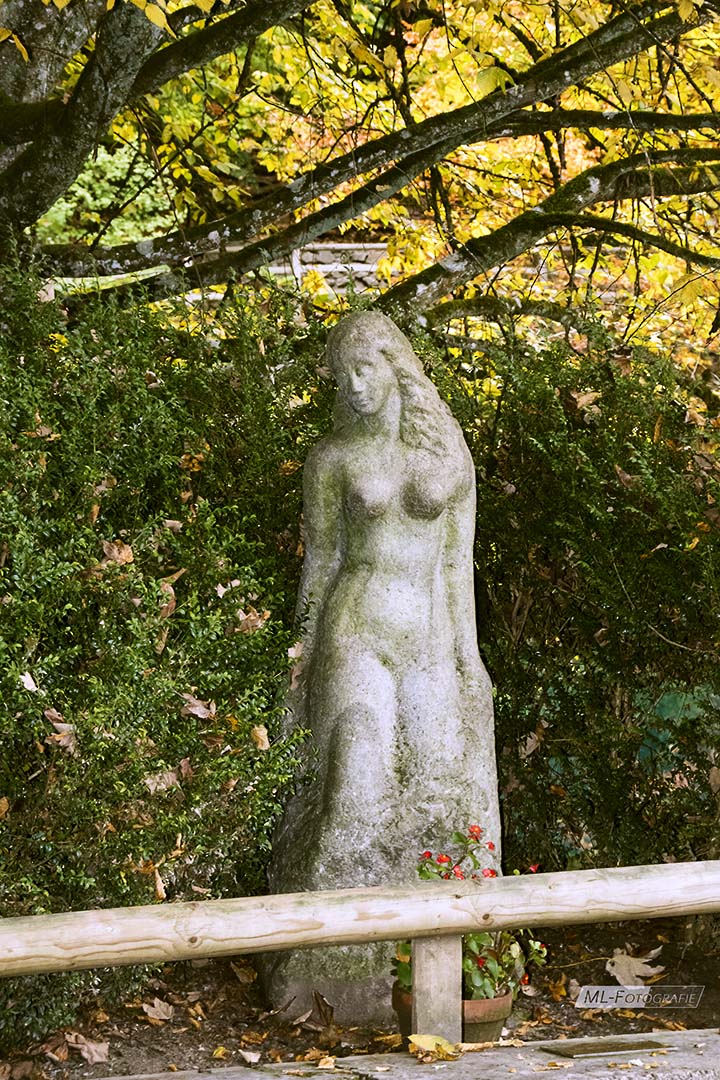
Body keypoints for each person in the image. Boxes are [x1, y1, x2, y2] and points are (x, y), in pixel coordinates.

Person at [270, 311, 500, 895]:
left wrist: (469, 659)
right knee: (356, 775)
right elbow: (321, 561)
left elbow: (455, 567)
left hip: (428, 639)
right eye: (341, 376)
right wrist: (301, 648)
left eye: (364, 371)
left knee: (441, 789)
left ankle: (453, 955)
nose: (353, 387)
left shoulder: (449, 460)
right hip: (355, 632)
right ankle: (337, 956)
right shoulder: (332, 458)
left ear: (394, 369)